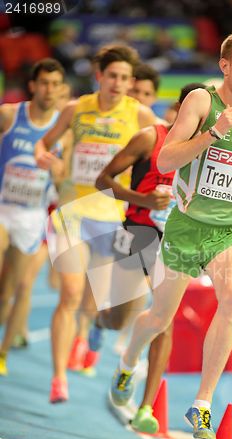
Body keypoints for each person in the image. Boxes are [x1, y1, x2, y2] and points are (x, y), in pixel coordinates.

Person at [110, 31, 232, 439]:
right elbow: (166, 158)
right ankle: (130, 360)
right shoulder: (201, 101)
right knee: (159, 318)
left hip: (231, 228)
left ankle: (201, 404)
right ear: (225, 65)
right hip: (186, 227)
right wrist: (214, 133)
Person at [35, 45, 156, 403]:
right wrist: (46, 157)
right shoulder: (76, 108)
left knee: (94, 297)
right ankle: (58, 379)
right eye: (113, 76)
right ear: (99, 75)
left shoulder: (141, 115)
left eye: (125, 78)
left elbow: (165, 147)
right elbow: (46, 142)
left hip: (112, 219)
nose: (118, 84)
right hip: (73, 213)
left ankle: (83, 336)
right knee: (69, 294)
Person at [90, 83, 207, 433]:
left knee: (163, 318)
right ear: (181, 110)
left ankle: (146, 407)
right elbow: (102, 180)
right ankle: (101, 322)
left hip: (173, 240)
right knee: (118, 318)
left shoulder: (207, 151)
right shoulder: (148, 138)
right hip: (137, 231)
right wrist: (140, 201)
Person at [67, 62, 164, 371]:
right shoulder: (105, 116)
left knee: (130, 290)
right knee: (83, 287)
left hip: (130, 217)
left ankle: (112, 329)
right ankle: (82, 338)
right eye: (136, 91)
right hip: (100, 211)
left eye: (146, 94)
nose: (139, 98)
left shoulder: (157, 131)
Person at [0, 58, 67, 376]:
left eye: (55, 84)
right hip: (3, 208)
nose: (49, 89)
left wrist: (57, 171)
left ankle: (2, 354)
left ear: (61, 88)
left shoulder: (62, 131)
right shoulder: (10, 115)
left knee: (12, 290)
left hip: (31, 217)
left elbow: (64, 180)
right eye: (44, 83)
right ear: (33, 86)